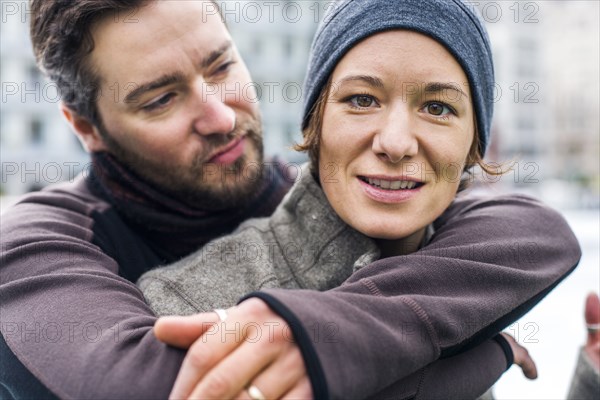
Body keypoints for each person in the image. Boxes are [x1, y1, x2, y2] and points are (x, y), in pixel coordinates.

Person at [0, 0, 580, 399]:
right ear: (87, 127)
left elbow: (532, 232)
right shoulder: (42, 244)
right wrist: (475, 352)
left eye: (221, 64)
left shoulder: (369, 209)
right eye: (160, 99)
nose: (221, 115)